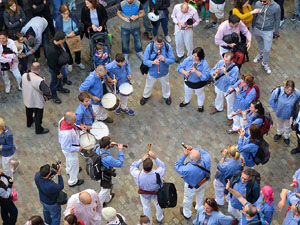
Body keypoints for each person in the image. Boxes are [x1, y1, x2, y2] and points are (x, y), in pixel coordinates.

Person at [174, 144, 211, 220]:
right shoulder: (207, 157)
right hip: (203, 182)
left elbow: (177, 166)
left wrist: (184, 155)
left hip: (192, 186)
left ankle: (187, 214)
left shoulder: (188, 168)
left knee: (188, 199)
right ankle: (199, 207)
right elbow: (203, 152)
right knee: (200, 194)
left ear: (191, 160)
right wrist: (193, 149)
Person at [130, 150, 166, 224]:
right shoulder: (158, 173)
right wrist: (155, 157)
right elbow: (162, 166)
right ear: (152, 166)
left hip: (144, 194)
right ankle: (160, 217)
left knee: (146, 208)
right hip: (156, 193)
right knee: (158, 205)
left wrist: (141, 160)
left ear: (143, 166)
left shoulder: (137, 174)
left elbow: (132, 167)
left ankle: (149, 223)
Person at [140, 35, 175, 106]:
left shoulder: (168, 47)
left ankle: (167, 96)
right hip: (152, 72)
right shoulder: (149, 47)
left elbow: (172, 60)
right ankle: (145, 96)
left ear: (163, 41)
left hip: (164, 72)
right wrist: (152, 62)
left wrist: (165, 59)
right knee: (148, 85)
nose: (159, 46)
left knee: (166, 85)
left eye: (161, 44)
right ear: (154, 41)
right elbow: (145, 61)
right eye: (157, 44)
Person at [177, 47, 210, 112]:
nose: (194, 58)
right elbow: (179, 68)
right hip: (188, 82)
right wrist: (185, 72)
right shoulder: (189, 59)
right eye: (193, 55)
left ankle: (200, 105)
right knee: (187, 92)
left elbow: (205, 77)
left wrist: (196, 71)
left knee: (200, 94)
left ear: (200, 56)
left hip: (198, 84)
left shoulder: (204, 64)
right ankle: (186, 101)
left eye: (196, 56)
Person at [210, 51, 239, 126]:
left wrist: (226, 73)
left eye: (227, 60)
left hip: (228, 89)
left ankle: (230, 117)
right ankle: (218, 107)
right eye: (224, 59)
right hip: (219, 84)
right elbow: (212, 70)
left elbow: (232, 81)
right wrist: (214, 72)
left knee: (230, 103)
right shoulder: (220, 62)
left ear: (232, 61)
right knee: (218, 97)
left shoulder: (235, 69)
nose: (224, 61)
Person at [21, 62, 51, 135]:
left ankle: (29, 123)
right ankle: (39, 130)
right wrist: (43, 82)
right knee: (38, 116)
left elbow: (21, 85)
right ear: (39, 70)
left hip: (27, 99)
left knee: (28, 112)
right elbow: (47, 92)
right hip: (36, 102)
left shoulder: (24, 75)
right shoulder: (40, 80)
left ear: (31, 68)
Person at [252, 0, 280, 74]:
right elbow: (255, 16)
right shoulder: (257, 4)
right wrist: (253, 26)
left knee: (267, 49)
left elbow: (277, 19)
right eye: (261, 0)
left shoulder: (276, 7)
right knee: (259, 43)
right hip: (257, 28)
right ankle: (261, 53)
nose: (262, 3)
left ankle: (265, 63)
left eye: (264, 1)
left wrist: (276, 31)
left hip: (268, 30)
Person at [269, 80, 300, 146]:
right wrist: (276, 109)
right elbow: (271, 101)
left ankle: (286, 137)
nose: (289, 92)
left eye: (291, 90)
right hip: (279, 113)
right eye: (288, 90)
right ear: (284, 87)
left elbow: (298, 104)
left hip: (290, 116)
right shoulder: (278, 91)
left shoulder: (297, 94)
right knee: (279, 124)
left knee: (288, 127)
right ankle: (279, 133)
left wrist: (295, 114)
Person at [95, 136, 124, 206]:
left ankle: (108, 198)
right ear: (107, 146)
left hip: (98, 171)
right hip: (104, 175)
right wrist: (120, 151)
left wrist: (111, 146)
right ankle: (99, 204)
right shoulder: (108, 158)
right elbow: (119, 164)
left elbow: (105, 149)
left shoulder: (97, 148)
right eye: (110, 143)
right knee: (105, 189)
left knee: (107, 188)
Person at [56, 5, 85, 72]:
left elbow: (78, 25)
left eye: (67, 12)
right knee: (67, 52)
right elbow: (58, 33)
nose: (67, 15)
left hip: (75, 37)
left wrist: (74, 32)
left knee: (77, 50)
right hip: (65, 40)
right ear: (61, 13)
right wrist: (67, 35)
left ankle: (78, 62)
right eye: (64, 14)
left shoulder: (73, 16)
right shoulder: (58, 21)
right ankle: (70, 63)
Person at [58, 112, 84, 187]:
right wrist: (78, 149)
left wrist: (79, 127)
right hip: (71, 150)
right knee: (74, 165)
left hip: (70, 149)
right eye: (74, 120)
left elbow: (73, 125)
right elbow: (66, 147)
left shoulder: (63, 120)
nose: (76, 121)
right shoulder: (66, 134)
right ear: (69, 121)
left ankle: (68, 170)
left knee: (69, 160)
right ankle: (73, 181)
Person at [47, 31, 70, 104]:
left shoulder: (57, 44)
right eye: (64, 39)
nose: (65, 40)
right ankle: (53, 95)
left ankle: (59, 87)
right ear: (60, 40)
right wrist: (58, 73)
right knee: (54, 82)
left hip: (60, 66)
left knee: (59, 79)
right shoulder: (52, 51)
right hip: (55, 69)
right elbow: (52, 64)